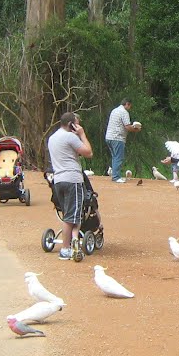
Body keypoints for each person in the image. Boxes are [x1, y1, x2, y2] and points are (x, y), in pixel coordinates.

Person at [48, 112, 93, 260]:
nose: (79, 126)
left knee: (70, 213)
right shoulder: (70, 137)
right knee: (70, 217)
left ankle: (74, 240)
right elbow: (88, 152)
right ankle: (65, 249)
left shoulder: (53, 138)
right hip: (72, 179)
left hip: (58, 180)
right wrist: (82, 134)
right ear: (71, 125)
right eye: (77, 123)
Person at [104, 98, 141, 182]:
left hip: (109, 137)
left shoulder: (114, 110)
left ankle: (115, 175)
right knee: (118, 157)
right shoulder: (124, 112)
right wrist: (136, 129)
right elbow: (127, 127)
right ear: (127, 104)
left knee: (115, 156)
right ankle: (116, 177)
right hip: (118, 138)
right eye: (130, 106)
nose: (130, 108)